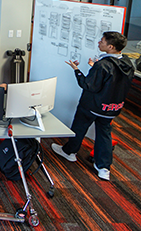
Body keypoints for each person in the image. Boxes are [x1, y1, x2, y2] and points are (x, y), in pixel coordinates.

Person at [52, 31, 134, 181]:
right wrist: (95, 67)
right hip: (111, 108)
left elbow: (88, 85)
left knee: (79, 127)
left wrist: (76, 70)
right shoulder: (127, 63)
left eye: (102, 41)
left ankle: (69, 152)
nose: (99, 43)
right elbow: (112, 79)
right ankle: (103, 167)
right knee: (104, 135)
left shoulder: (103, 65)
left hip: (92, 106)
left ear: (110, 46)